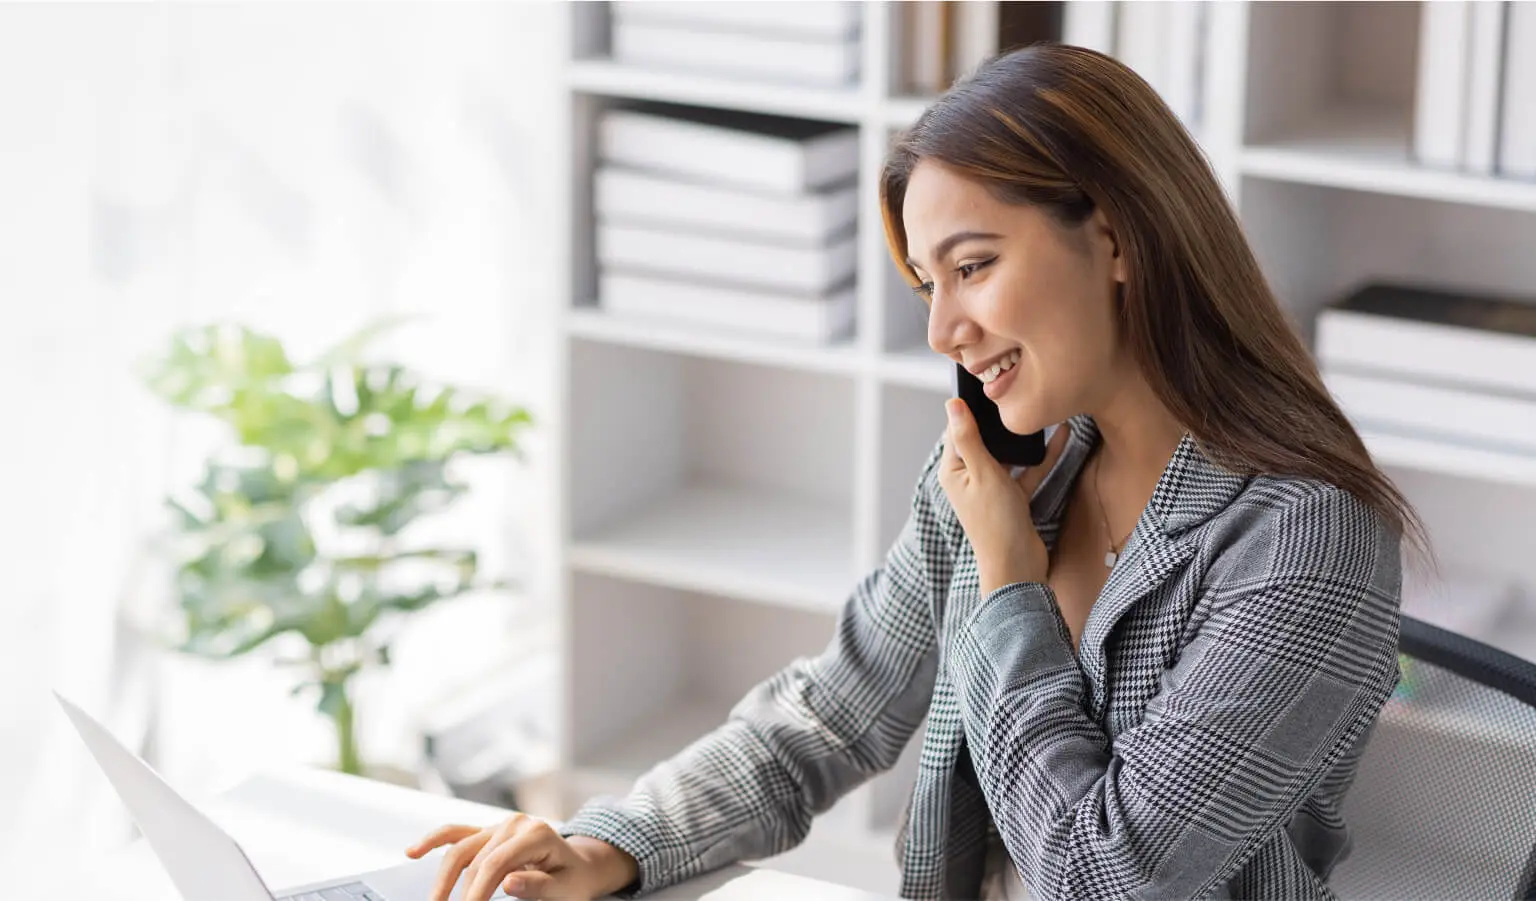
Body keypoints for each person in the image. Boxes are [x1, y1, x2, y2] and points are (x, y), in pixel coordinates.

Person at [404, 43, 1426, 901]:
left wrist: (1008, 583)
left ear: (1115, 235)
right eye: (929, 283)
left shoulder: (1307, 537)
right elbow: (831, 714)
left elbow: (1102, 874)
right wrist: (610, 845)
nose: (945, 328)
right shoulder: (1009, 472)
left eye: (974, 266)